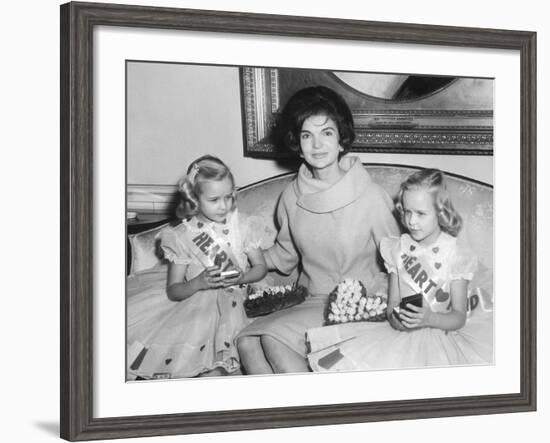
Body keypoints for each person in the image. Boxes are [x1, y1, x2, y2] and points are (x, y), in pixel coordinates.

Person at [236, 86, 400, 374]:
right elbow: (285, 256)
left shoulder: (371, 196)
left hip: (357, 304)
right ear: (297, 145)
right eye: (306, 135)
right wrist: (239, 254)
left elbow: (400, 259)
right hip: (310, 298)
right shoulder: (291, 196)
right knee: (247, 342)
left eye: (326, 132)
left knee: (272, 340)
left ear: (341, 140)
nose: (317, 145)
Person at [307, 169, 493, 371]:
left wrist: (430, 318)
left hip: (441, 336)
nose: (411, 221)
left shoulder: (456, 255)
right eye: (407, 211)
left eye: (421, 213)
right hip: (399, 336)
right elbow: (393, 304)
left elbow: (458, 317)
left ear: (440, 212)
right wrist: (397, 320)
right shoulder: (396, 249)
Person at [127, 155, 267, 379]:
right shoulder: (183, 236)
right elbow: (174, 290)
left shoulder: (243, 225)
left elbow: (261, 267)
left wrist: (243, 278)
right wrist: (198, 283)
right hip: (196, 308)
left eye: (229, 197)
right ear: (195, 198)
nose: (224, 206)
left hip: (239, 301)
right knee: (200, 367)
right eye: (214, 200)